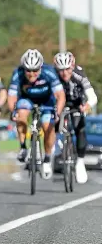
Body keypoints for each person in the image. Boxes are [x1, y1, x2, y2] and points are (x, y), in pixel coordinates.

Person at [8, 49, 66, 179]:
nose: (32, 74)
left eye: (35, 70)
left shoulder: (49, 72)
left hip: (47, 101)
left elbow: (60, 95)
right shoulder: (18, 73)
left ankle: (46, 158)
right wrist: (13, 111)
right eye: (28, 70)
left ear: (41, 68)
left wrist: (58, 112)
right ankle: (23, 147)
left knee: (48, 127)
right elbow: (11, 96)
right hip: (27, 99)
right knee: (21, 114)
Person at [53, 51, 97, 184]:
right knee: (52, 120)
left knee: (80, 128)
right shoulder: (53, 77)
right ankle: (54, 149)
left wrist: (87, 105)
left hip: (77, 104)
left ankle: (80, 162)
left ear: (72, 66)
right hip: (60, 103)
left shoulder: (79, 75)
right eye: (61, 70)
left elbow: (93, 96)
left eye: (67, 69)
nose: (64, 73)